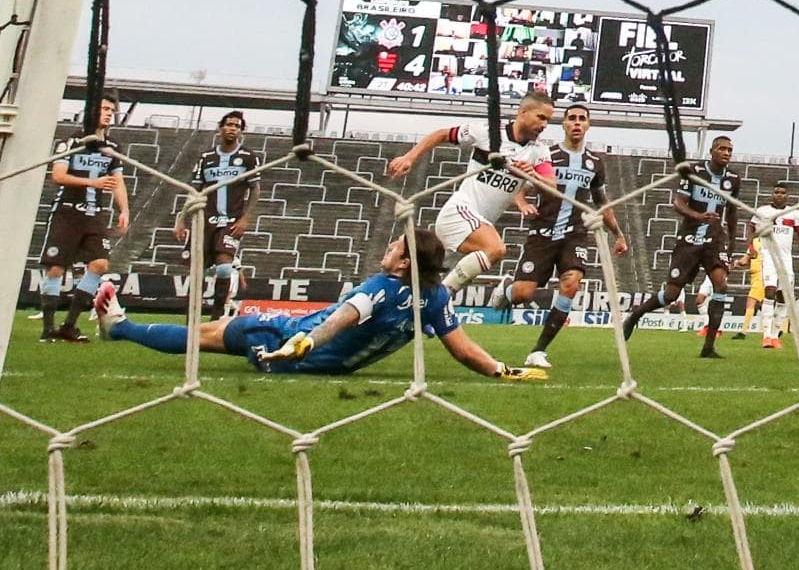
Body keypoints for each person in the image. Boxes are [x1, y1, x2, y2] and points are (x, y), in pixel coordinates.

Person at [94, 229, 543, 380]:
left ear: (404, 261)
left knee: (207, 334)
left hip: (291, 347)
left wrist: (303, 342)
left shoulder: (381, 287)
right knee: (218, 332)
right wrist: (504, 370)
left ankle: (118, 326)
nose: (387, 251)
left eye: (393, 248)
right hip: (329, 364)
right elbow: (463, 350)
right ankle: (118, 325)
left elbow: (345, 317)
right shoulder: (435, 296)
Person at [489, 103, 628, 369]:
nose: (577, 123)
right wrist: (521, 204)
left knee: (571, 283)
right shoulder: (546, 154)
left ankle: (538, 350)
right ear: (563, 124)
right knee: (523, 294)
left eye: (582, 119)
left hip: (575, 235)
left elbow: (601, 201)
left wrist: (618, 235)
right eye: (572, 118)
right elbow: (520, 186)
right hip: (542, 233)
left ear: (588, 125)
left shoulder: (595, 163)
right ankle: (507, 290)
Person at [386, 91, 556, 294]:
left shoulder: (539, 151)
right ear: (523, 111)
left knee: (421, 278)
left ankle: (421, 303)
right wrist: (409, 158)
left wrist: (534, 176)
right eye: (541, 117)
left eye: (548, 120)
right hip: (460, 211)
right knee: (495, 249)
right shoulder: (487, 133)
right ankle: (443, 298)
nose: (544, 125)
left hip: (477, 225)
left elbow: (552, 187)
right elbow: (442, 134)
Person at [621, 136, 742, 358]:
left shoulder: (733, 180)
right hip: (690, 238)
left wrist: (732, 246)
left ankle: (708, 347)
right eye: (722, 149)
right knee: (671, 294)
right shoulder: (694, 172)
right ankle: (635, 316)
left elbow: (732, 214)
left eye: (730, 150)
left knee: (721, 287)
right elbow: (678, 203)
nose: (726, 153)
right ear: (712, 151)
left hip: (715, 241)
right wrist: (699, 216)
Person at [39, 95, 129, 343]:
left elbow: (117, 181)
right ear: (90, 111)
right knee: (57, 268)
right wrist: (92, 182)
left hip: (94, 214)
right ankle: (48, 330)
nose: (109, 113)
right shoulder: (71, 141)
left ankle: (69, 325)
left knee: (100, 264)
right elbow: (57, 175)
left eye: (112, 109)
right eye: (104, 108)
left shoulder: (113, 147)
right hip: (67, 212)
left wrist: (124, 209)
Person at [175, 110, 260, 321]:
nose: (233, 128)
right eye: (229, 124)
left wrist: (245, 218)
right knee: (197, 271)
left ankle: (215, 318)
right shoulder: (207, 157)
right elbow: (195, 189)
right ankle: (191, 319)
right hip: (204, 221)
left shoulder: (248, 157)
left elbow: (255, 189)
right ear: (220, 128)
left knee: (224, 267)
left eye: (237, 126)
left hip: (231, 221)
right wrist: (181, 217)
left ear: (241, 131)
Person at [749, 183, 799, 349]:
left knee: (784, 296)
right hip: (769, 256)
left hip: (786, 260)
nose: (779, 195)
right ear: (772, 194)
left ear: (787, 195)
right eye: (776, 192)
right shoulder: (763, 211)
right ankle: (766, 335)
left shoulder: (793, 213)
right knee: (770, 291)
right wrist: (751, 246)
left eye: (782, 193)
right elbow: (751, 228)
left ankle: (774, 336)